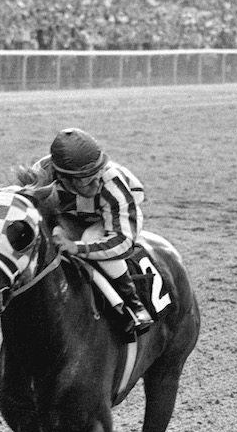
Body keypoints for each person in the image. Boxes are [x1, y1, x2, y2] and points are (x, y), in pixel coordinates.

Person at [33, 127, 154, 334]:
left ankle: (133, 305)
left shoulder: (112, 183)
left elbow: (121, 242)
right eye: (86, 177)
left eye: (97, 170)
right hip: (70, 214)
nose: (96, 179)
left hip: (112, 216)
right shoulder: (42, 175)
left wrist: (77, 248)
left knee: (90, 237)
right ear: (64, 177)